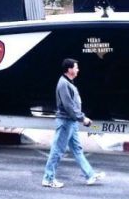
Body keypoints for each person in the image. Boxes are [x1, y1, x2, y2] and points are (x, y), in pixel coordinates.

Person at [42, 58, 105, 188]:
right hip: (66, 122)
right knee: (57, 151)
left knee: (77, 150)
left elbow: (73, 106)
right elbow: (69, 106)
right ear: (69, 69)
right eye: (76, 67)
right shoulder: (63, 84)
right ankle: (48, 179)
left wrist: (81, 117)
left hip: (71, 122)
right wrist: (83, 118)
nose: (78, 70)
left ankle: (90, 175)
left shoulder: (68, 83)